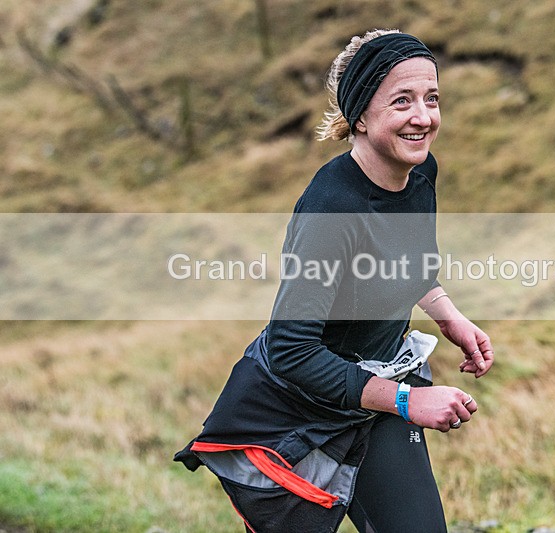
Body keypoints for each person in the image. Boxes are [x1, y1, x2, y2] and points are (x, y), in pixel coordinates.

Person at [174, 29, 495, 532]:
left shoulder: (420, 172)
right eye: (402, 101)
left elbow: (406, 262)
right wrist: (409, 400)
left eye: (432, 99)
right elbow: (291, 349)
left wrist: (447, 313)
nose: (423, 118)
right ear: (361, 116)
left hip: (378, 389)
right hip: (298, 409)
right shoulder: (330, 210)